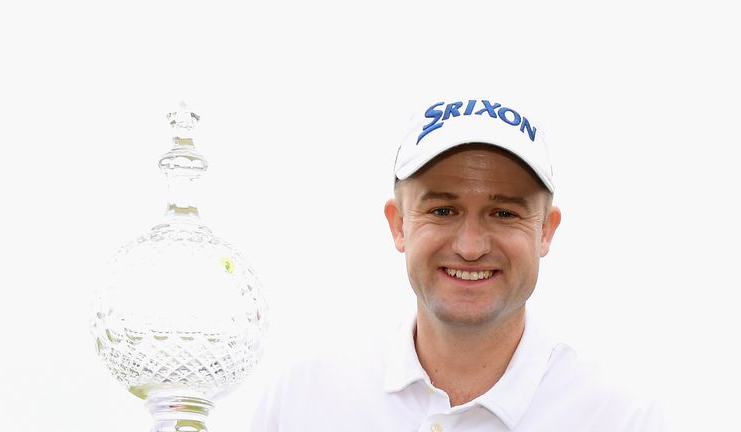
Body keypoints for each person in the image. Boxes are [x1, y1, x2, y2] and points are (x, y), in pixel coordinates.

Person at [251, 97, 664, 431]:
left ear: (545, 232)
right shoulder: (303, 400)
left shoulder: (619, 417)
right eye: (443, 211)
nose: (470, 247)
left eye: (503, 214)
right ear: (398, 225)